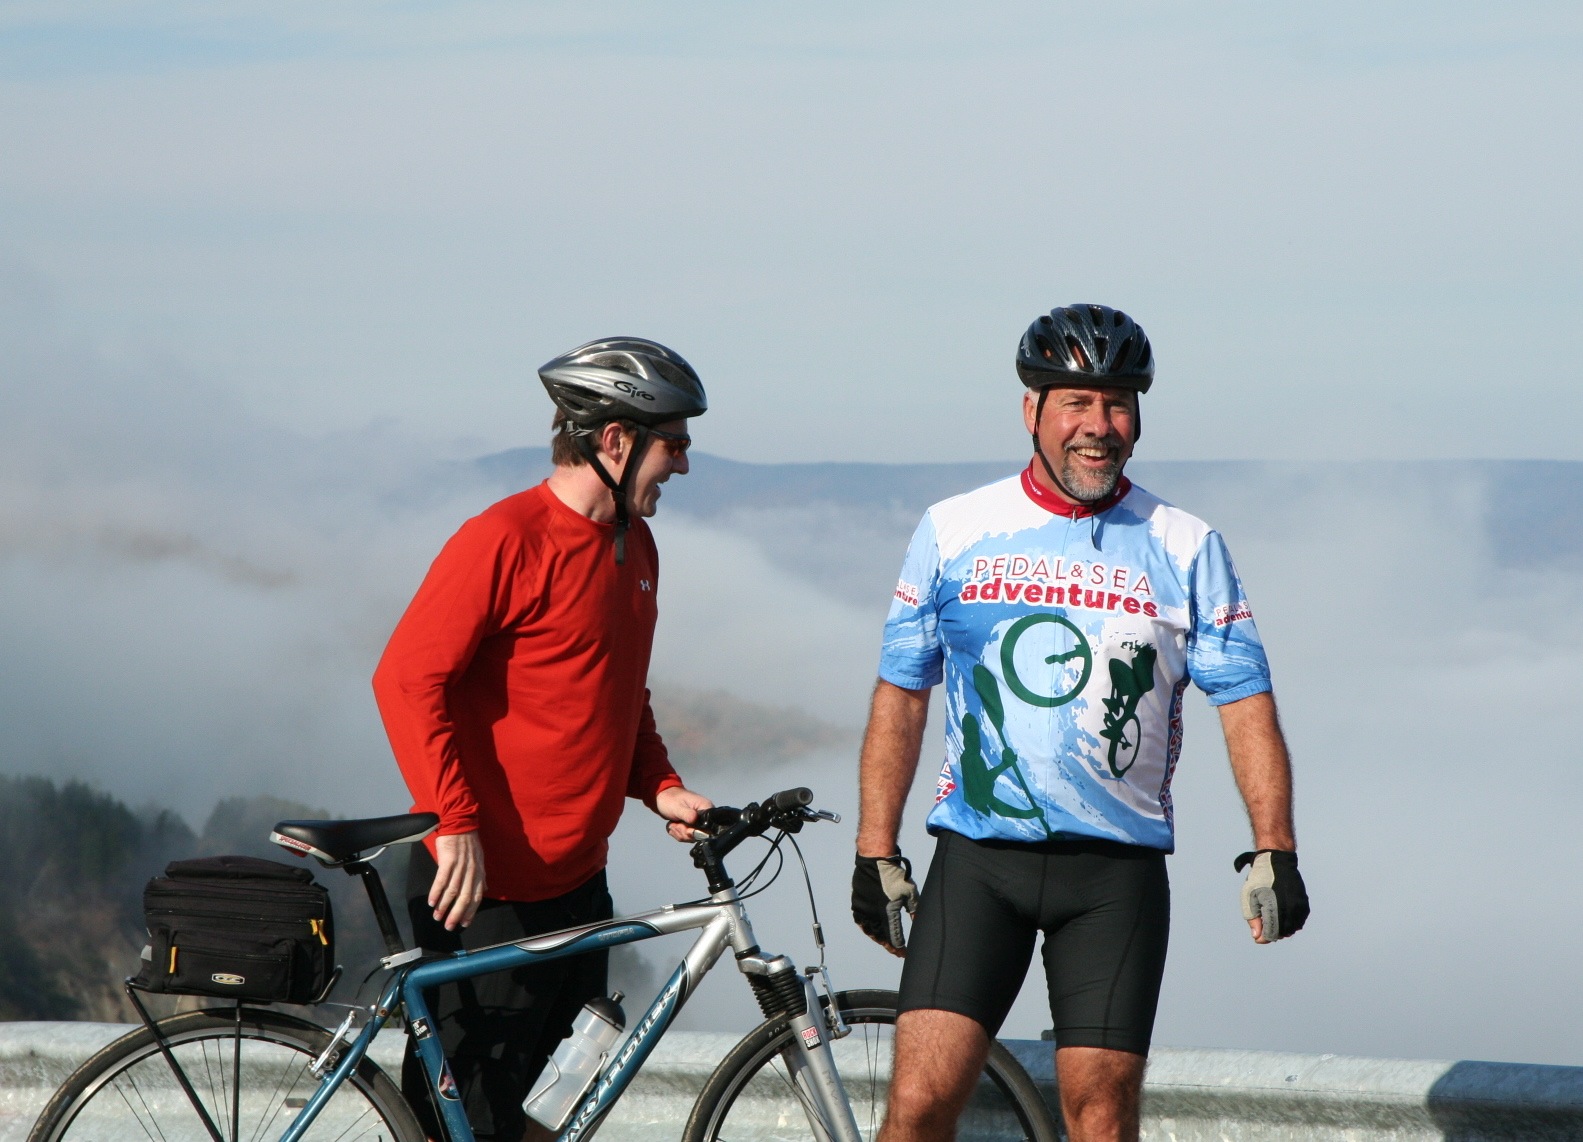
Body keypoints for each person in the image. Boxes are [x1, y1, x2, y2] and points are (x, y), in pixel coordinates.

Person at [850, 305, 1309, 1142]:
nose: (1099, 426)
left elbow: (1243, 700)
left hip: (1112, 875)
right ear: (1031, 410)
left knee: (1100, 1117)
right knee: (917, 1107)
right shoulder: (953, 529)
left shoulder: (1184, 543)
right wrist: (873, 848)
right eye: (1076, 403)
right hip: (978, 862)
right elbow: (902, 691)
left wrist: (1273, 849)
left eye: (1118, 403)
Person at [373, 337, 715, 1142]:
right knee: (468, 1125)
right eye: (673, 445)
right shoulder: (502, 538)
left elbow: (617, 691)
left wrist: (659, 785)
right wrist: (454, 821)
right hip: (484, 890)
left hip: (578, 886)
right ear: (615, 441)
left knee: (556, 1113)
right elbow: (405, 680)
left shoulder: (634, 544)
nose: (683, 464)